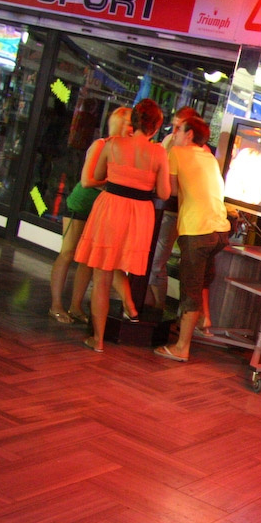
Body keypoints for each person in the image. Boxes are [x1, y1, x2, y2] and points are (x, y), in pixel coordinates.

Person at [74, 98, 170, 353]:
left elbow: (97, 176)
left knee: (101, 277)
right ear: (156, 126)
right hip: (139, 214)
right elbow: (163, 192)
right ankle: (128, 307)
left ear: (134, 121)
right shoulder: (159, 152)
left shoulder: (113, 144)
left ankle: (98, 338)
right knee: (123, 267)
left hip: (110, 207)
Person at [154, 116, 231, 362]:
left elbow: (170, 190)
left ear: (189, 135)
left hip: (197, 229)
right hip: (220, 230)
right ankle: (201, 320)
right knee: (201, 281)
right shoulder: (209, 157)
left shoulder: (177, 152)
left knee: (190, 289)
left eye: (179, 129)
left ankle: (182, 348)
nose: (174, 133)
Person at [48, 106, 132, 324]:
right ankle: (56, 305)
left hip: (101, 209)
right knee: (68, 252)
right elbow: (87, 181)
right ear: (118, 124)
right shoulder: (101, 144)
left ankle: (76, 306)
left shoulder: (125, 150)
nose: (133, 129)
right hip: (81, 204)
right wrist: (111, 184)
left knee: (87, 259)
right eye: (129, 124)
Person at [145, 105, 200, 309]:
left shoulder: (196, 152)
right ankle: (148, 306)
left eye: (179, 127)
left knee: (156, 263)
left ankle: (157, 308)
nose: (175, 131)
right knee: (148, 260)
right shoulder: (169, 141)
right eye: (174, 126)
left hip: (172, 211)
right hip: (156, 206)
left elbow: (177, 188)